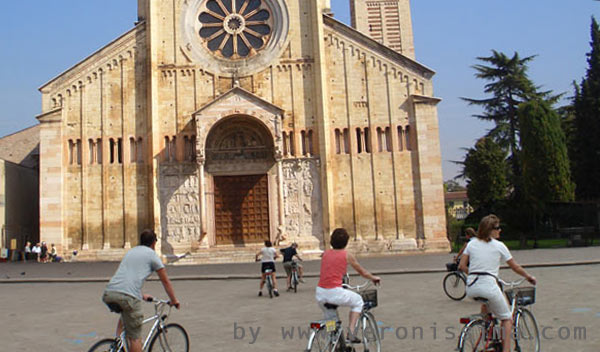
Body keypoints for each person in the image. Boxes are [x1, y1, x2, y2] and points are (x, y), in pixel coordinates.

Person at [458, 215, 536, 352]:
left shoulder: (471, 243)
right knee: (506, 319)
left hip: (471, 287)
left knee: (487, 308)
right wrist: (528, 277)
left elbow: (461, 266)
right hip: (488, 286)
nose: (500, 230)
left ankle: (487, 334)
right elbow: (515, 267)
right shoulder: (499, 246)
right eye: (498, 228)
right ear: (490, 230)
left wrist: (474, 274)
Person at [102, 229, 180, 352]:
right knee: (135, 338)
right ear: (154, 243)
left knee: (126, 312)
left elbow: (126, 278)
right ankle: (123, 344)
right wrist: (174, 300)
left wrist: (140, 294)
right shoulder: (152, 256)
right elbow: (165, 281)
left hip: (110, 292)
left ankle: (117, 342)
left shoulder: (131, 252)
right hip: (128, 296)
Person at [316, 228, 381, 343]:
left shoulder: (325, 254)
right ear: (346, 242)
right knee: (358, 302)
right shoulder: (347, 255)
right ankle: (350, 334)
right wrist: (374, 278)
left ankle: (333, 341)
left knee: (331, 319)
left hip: (320, 293)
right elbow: (362, 272)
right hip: (334, 292)